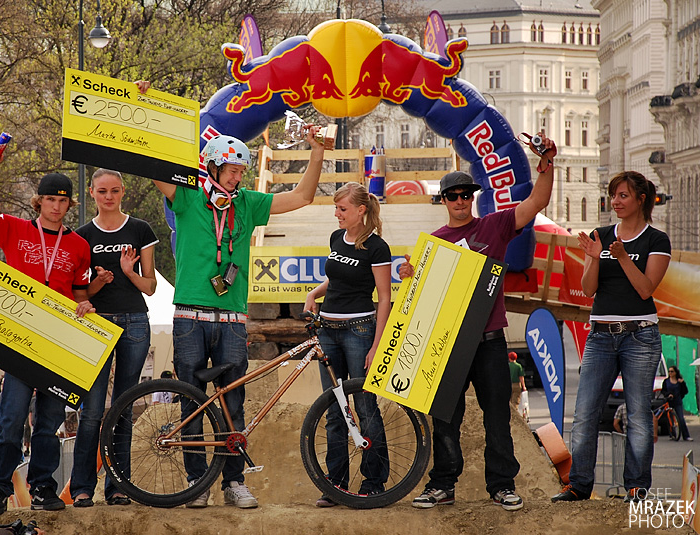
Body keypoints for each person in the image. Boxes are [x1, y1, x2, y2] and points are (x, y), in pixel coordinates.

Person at [139, 76, 325, 510]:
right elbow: (151, 164)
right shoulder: (187, 197)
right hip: (190, 315)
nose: (239, 177)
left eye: (242, 170)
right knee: (191, 401)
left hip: (232, 319)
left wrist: (317, 150)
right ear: (212, 168)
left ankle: (233, 481)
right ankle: (196, 482)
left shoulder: (248, 203)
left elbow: (302, 196)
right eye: (232, 170)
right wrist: (145, 106)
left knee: (232, 403)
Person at [401, 135, 557, 512]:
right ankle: (442, 484)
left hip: (489, 341)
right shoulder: (434, 243)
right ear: (443, 200)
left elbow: (537, 202)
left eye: (465, 195)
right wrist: (408, 275)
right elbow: (422, 299)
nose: (460, 201)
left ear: (473, 197)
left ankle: (502, 486)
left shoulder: (495, 226)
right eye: (452, 196)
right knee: (445, 417)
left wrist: (547, 164)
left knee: (497, 416)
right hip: (450, 344)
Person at [0, 150, 93, 515]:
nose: (56, 207)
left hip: (58, 342)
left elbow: (80, 294)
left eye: (63, 201)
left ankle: (44, 487)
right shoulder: (15, 229)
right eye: (50, 200)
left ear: (69, 205)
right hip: (20, 339)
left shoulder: (79, 246)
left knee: (49, 423)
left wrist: (86, 305)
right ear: (39, 201)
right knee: (12, 418)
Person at [552, 171, 671, 504]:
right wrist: (594, 257)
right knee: (585, 413)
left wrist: (621, 257)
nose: (615, 202)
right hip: (601, 335)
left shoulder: (656, 240)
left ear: (641, 200)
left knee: (638, 415)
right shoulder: (600, 235)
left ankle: (636, 486)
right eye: (613, 195)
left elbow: (645, 289)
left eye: (623, 195)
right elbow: (589, 289)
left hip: (640, 336)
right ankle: (579, 485)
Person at [69, 168, 158, 508]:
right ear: (92, 193)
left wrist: (128, 273)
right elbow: (80, 294)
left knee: (123, 408)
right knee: (91, 410)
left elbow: (150, 287)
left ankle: (119, 487)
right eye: (102, 191)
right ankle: (81, 488)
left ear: (123, 192)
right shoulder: (81, 236)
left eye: (115, 190)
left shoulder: (140, 229)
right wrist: (98, 283)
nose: (109, 196)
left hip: (135, 322)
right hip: (97, 323)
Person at [303, 182, 391, 507]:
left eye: (342, 209)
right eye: (336, 208)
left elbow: (384, 298)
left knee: (365, 408)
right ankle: (336, 484)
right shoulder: (336, 238)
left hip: (359, 331)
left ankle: (374, 482)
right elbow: (337, 278)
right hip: (327, 329)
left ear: (360, 210)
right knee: (334, 409)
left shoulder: (377, 248)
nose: (337, 214)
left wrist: (376, 345)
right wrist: (314, 293)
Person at [662, 366, 692, 441]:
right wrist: (668, 394)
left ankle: (686, 436)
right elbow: (663, 391)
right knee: (670, 419)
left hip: (678, 401)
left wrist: (682, 383)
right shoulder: (666, 381)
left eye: (672, 371)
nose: (670, 373)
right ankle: (672, 435)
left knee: (681, 419)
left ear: (675, 372)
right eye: (669, 371)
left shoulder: (679, 381)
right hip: (669, 401)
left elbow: (685, 391)